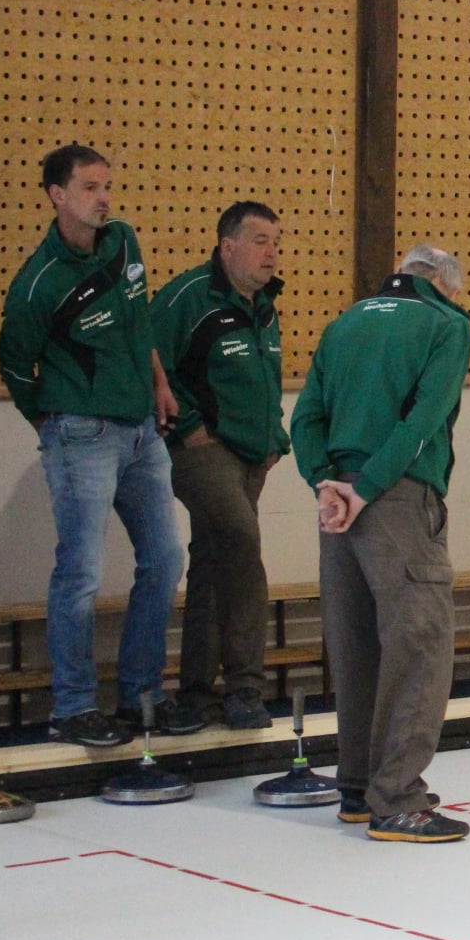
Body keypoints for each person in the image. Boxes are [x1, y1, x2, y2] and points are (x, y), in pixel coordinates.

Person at [0, 144, 199, 748]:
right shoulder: (38, 283)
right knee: (81, 572)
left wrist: (158, 384)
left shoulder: (123, 241)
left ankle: (141, 696)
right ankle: (74, 706)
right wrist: (51, 423)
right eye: (89, 187)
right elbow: (15, 364)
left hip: (141, 430)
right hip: (81, 434)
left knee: (165, 560)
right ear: (58, 195)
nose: (103, 198)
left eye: (106, 185)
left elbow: (140, 324)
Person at [291, 244, 470, 843]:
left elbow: (305, 418)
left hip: (336, 503)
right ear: (446, 286)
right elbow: (424, 421)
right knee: (420, 645)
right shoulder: (446, 323)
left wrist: (326, 483)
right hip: (394, 497)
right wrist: (368, 488)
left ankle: (358, 786)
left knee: (356, 647)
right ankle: (397, 798)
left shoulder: (344, 324)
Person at [151, 201, 288, 731]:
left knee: (212, 561)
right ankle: (246, 688)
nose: (271, 252)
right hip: (203, 450)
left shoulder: (264, 306)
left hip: (253, 456)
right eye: (260, 240)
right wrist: (188, 428)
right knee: (241, 544)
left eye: (276, 241)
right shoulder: (189, 298)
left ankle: (196, 694)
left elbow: (267, 380)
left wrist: (275, 438)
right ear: (227, 247)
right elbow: (147, 359)